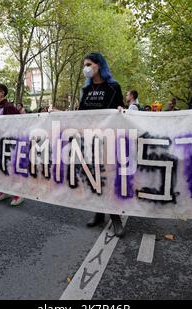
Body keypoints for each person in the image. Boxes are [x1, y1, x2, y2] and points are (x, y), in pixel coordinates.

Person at [78, 52, 125, 238]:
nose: (86, 68)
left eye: (89, 64)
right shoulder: (86, 90)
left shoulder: (113, 87)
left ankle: (115, 218)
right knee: (94, 178)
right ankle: (99, 213)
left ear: (99, 65)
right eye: (84, 64)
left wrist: (121, 110)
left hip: (108, 139)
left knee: (109, 179)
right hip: (90, 139)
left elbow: (120, 109)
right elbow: (80, 114)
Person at [0, 83, 24, 206]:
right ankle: (4, 190)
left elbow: (20, 122)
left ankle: (18, 194)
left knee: (11, 167)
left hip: (9, 142)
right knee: (1, 166)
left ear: (2, 93)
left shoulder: (9, 107)